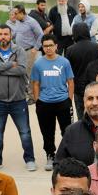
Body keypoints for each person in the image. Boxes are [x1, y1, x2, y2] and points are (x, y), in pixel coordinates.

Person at [0, 25, 37, 172]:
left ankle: (30, 159)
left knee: (25, 132)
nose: (3, 36)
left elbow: (21, 69)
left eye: (6, 34)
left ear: (11, 35)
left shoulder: (19, 50)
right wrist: (9, 65)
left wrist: (0, 69)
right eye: (0, 34)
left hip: (18, 100)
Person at [31, 34, 74, 171]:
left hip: (62, 102)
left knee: (67, 131)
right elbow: (35, 83)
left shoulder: (64, 62)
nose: (48, 48)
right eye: (45, 46)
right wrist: (37, 100)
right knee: (47, 132)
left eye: (50, 45)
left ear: (56, 46)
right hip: (44, 103)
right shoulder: (38, 63)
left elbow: (70, 81)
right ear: (42, 48)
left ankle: (67, 155)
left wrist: (69, 99)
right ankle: (50, 154)